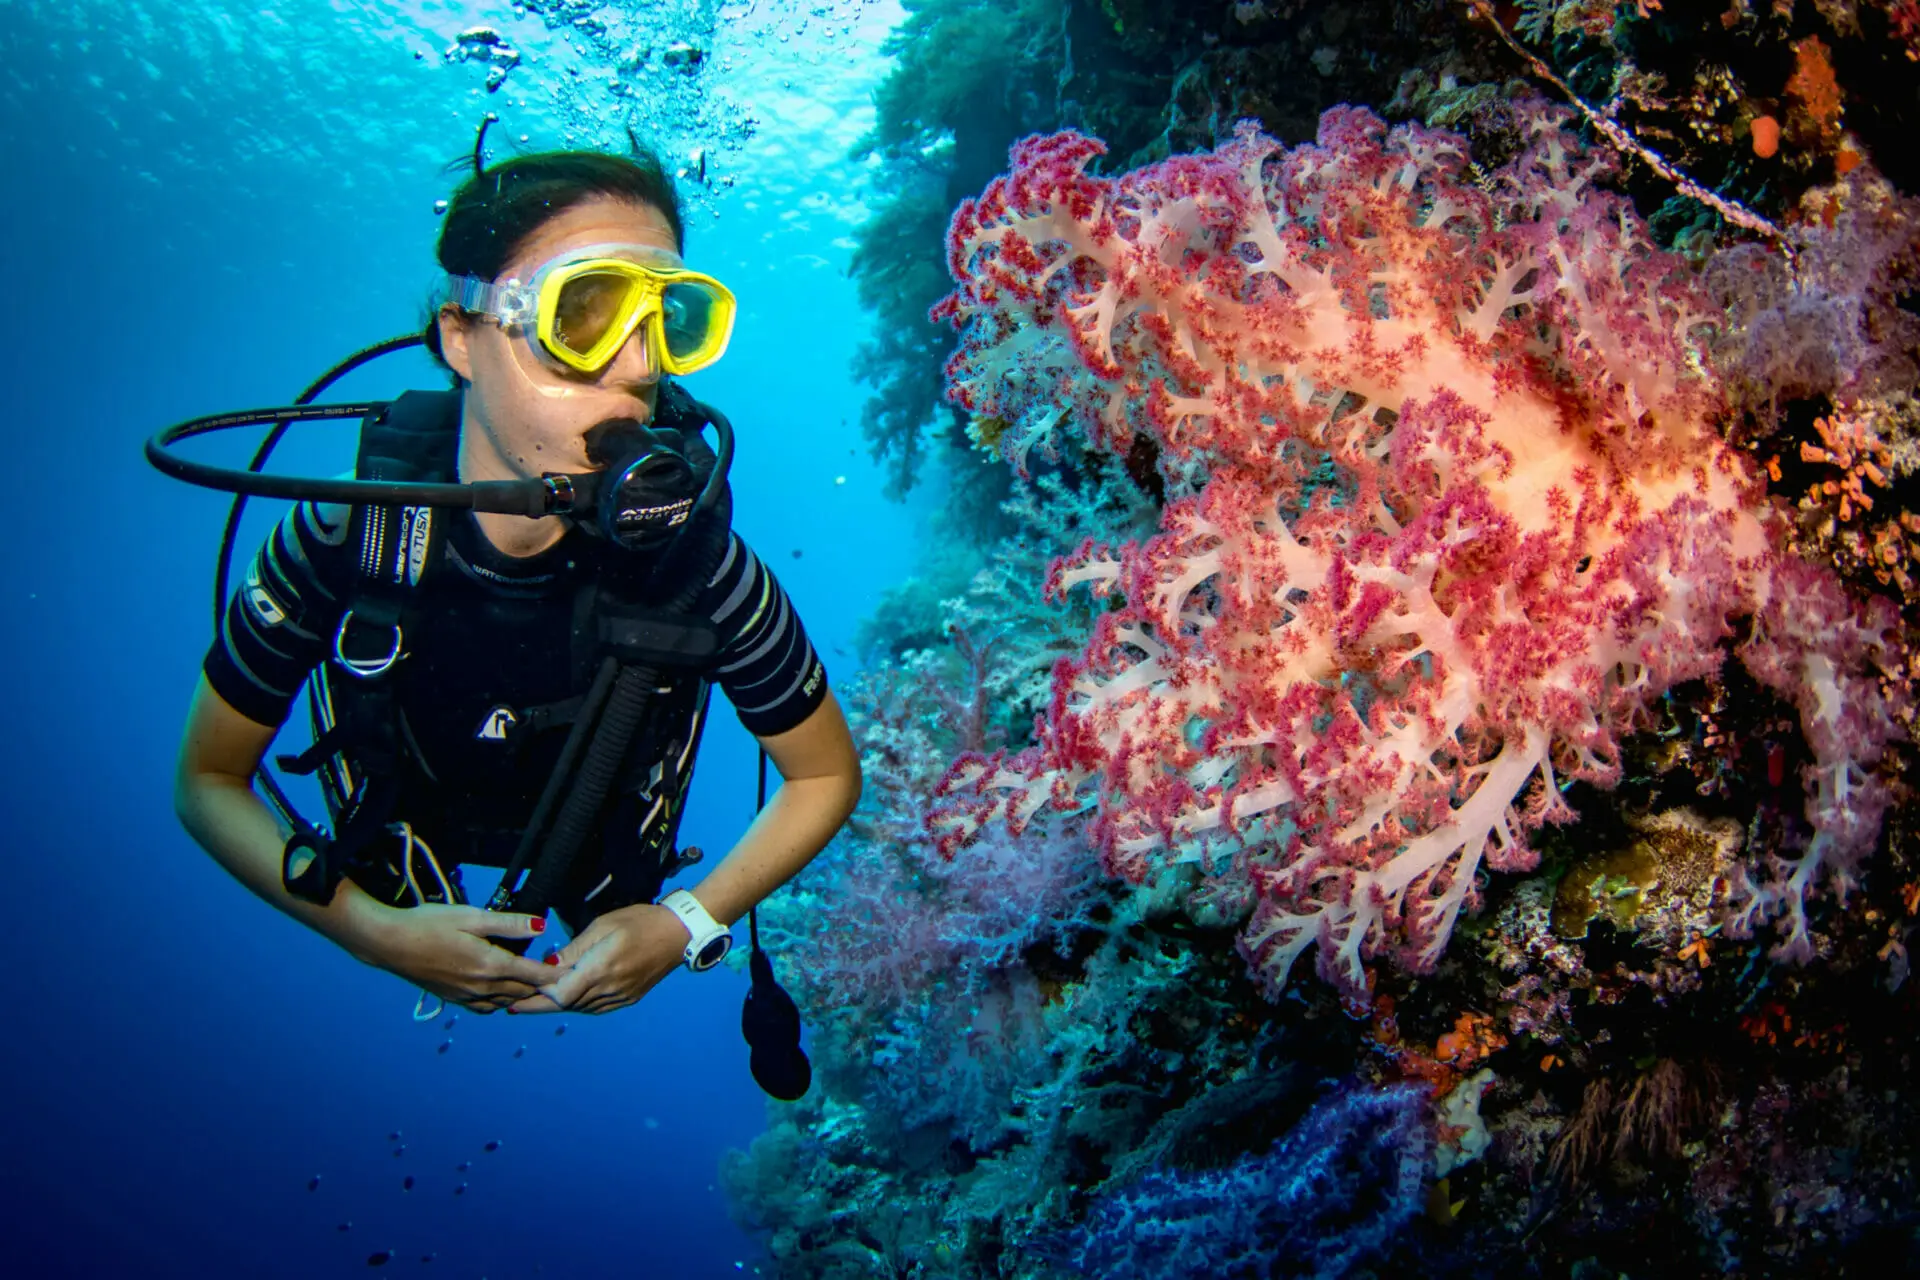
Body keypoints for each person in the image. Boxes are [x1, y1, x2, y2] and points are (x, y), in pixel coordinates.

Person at [172, 142, 860, 1022]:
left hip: (601, 865)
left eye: (668, 321)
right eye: (587, 315)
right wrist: (369, 933)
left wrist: (684, 922)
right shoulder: (346, 534)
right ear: (462, 338)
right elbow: (206, 781)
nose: (640, 368)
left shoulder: (696, 560)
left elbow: (824, 777)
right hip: (394, 863)